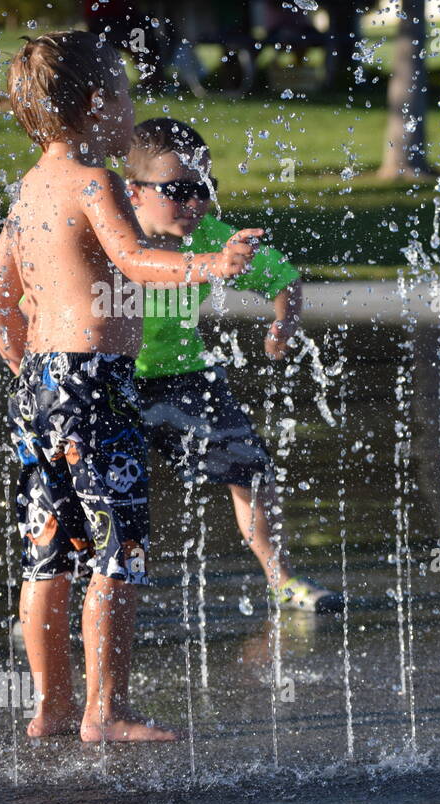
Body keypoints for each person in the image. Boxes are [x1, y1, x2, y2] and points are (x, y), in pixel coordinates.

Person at [0, 31, 261, 741]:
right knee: (118, 546)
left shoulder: (31, 188)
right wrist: (210, 267)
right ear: (98, 103)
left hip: (42, 385)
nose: (131, 114)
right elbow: (134, 261)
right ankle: (106, 709)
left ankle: (51, 707)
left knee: (47, 548)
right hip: (96, 386)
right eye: (127, 95)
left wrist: (34, 379)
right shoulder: (95, 182)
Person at [122, 118, 341, 613]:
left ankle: (281, 578)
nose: (196, 203)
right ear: (134, 192)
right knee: (88, 490)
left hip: (184, 375)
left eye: (204, 188)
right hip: (112, 377)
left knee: (251, 469)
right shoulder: (110, 237)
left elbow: (284, 278)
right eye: (179, 190)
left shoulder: (216, 237)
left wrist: (283, 323)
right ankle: (50, 600)